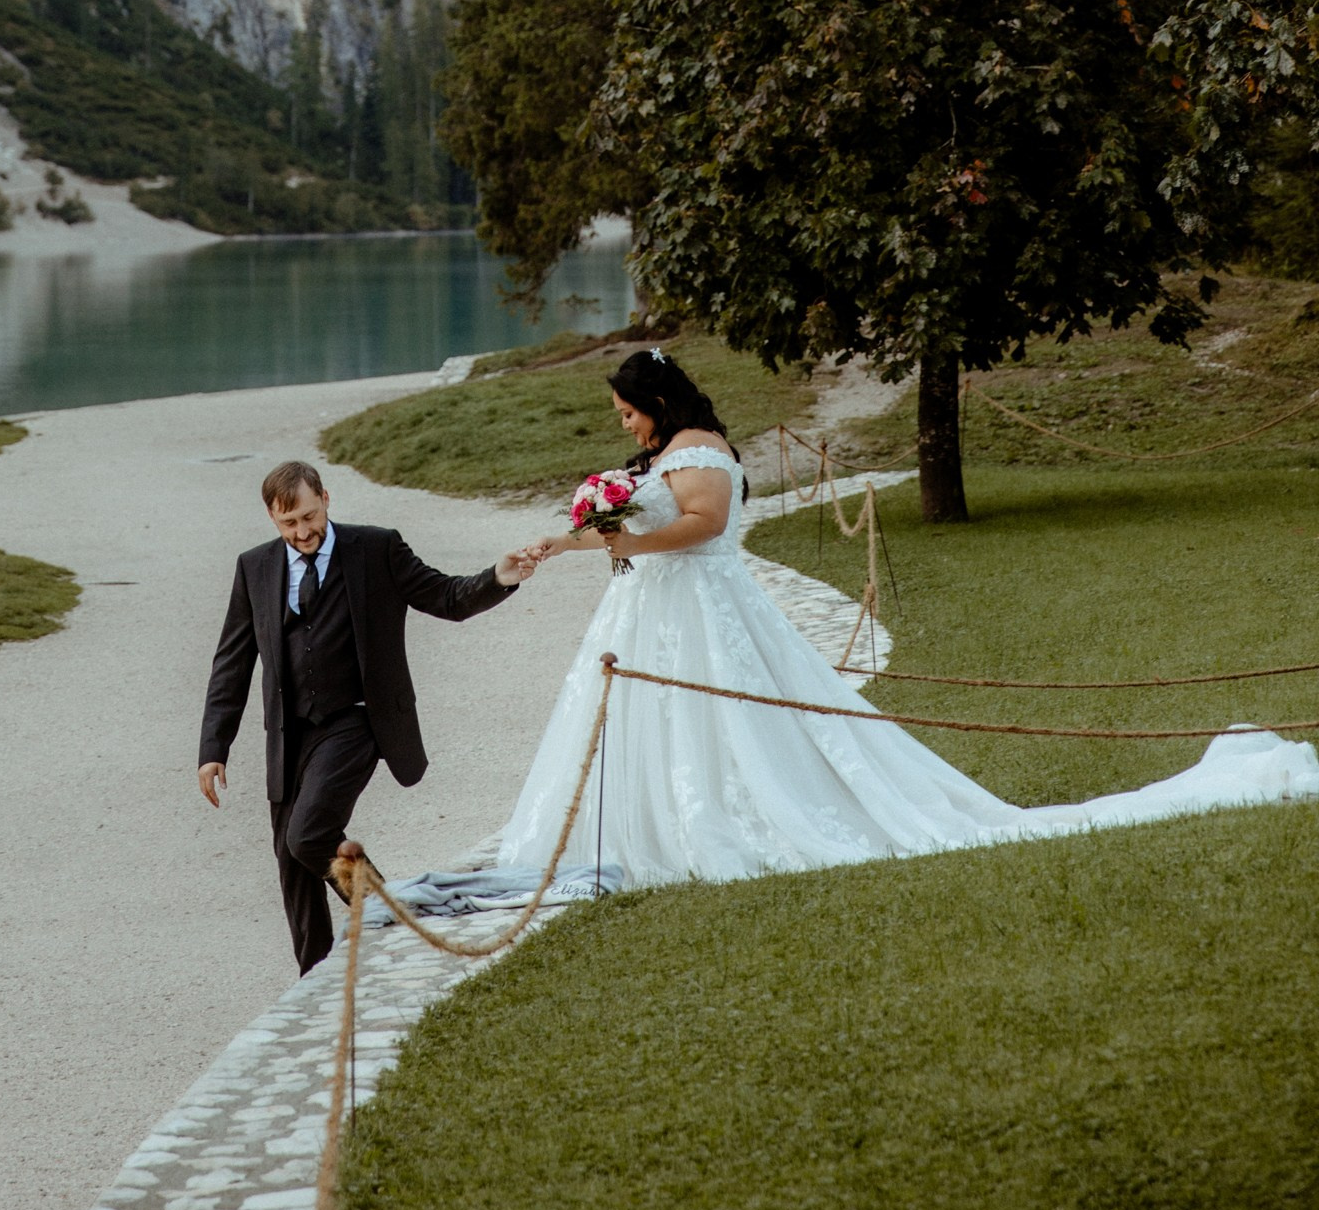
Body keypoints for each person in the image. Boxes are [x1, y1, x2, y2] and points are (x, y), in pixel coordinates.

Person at [499, 346, 1319, 886]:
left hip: (702, 609)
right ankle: (645, 828)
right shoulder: (663, 453)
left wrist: (620, 539)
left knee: (734, 720)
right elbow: (637, 528)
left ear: (657, 400)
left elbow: (704, 528)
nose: (624, 424)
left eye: (627, 411)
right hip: (650, 609)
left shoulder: (701, 448)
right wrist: (570, 543)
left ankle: (717, 826)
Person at [199, 458, 532, 972]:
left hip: (357, 720)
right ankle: (317, 978)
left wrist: (498, 578)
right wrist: (212, 749)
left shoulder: (376, 548)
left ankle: (387, 916)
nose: (303, 532)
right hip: (289, 731)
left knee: (310, 833)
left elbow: (444, 596)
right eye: (289, 524)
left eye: (309, 517)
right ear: (271, 517)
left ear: (326, 498)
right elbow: (233, 660)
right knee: (292, 863)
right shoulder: (254, 566)